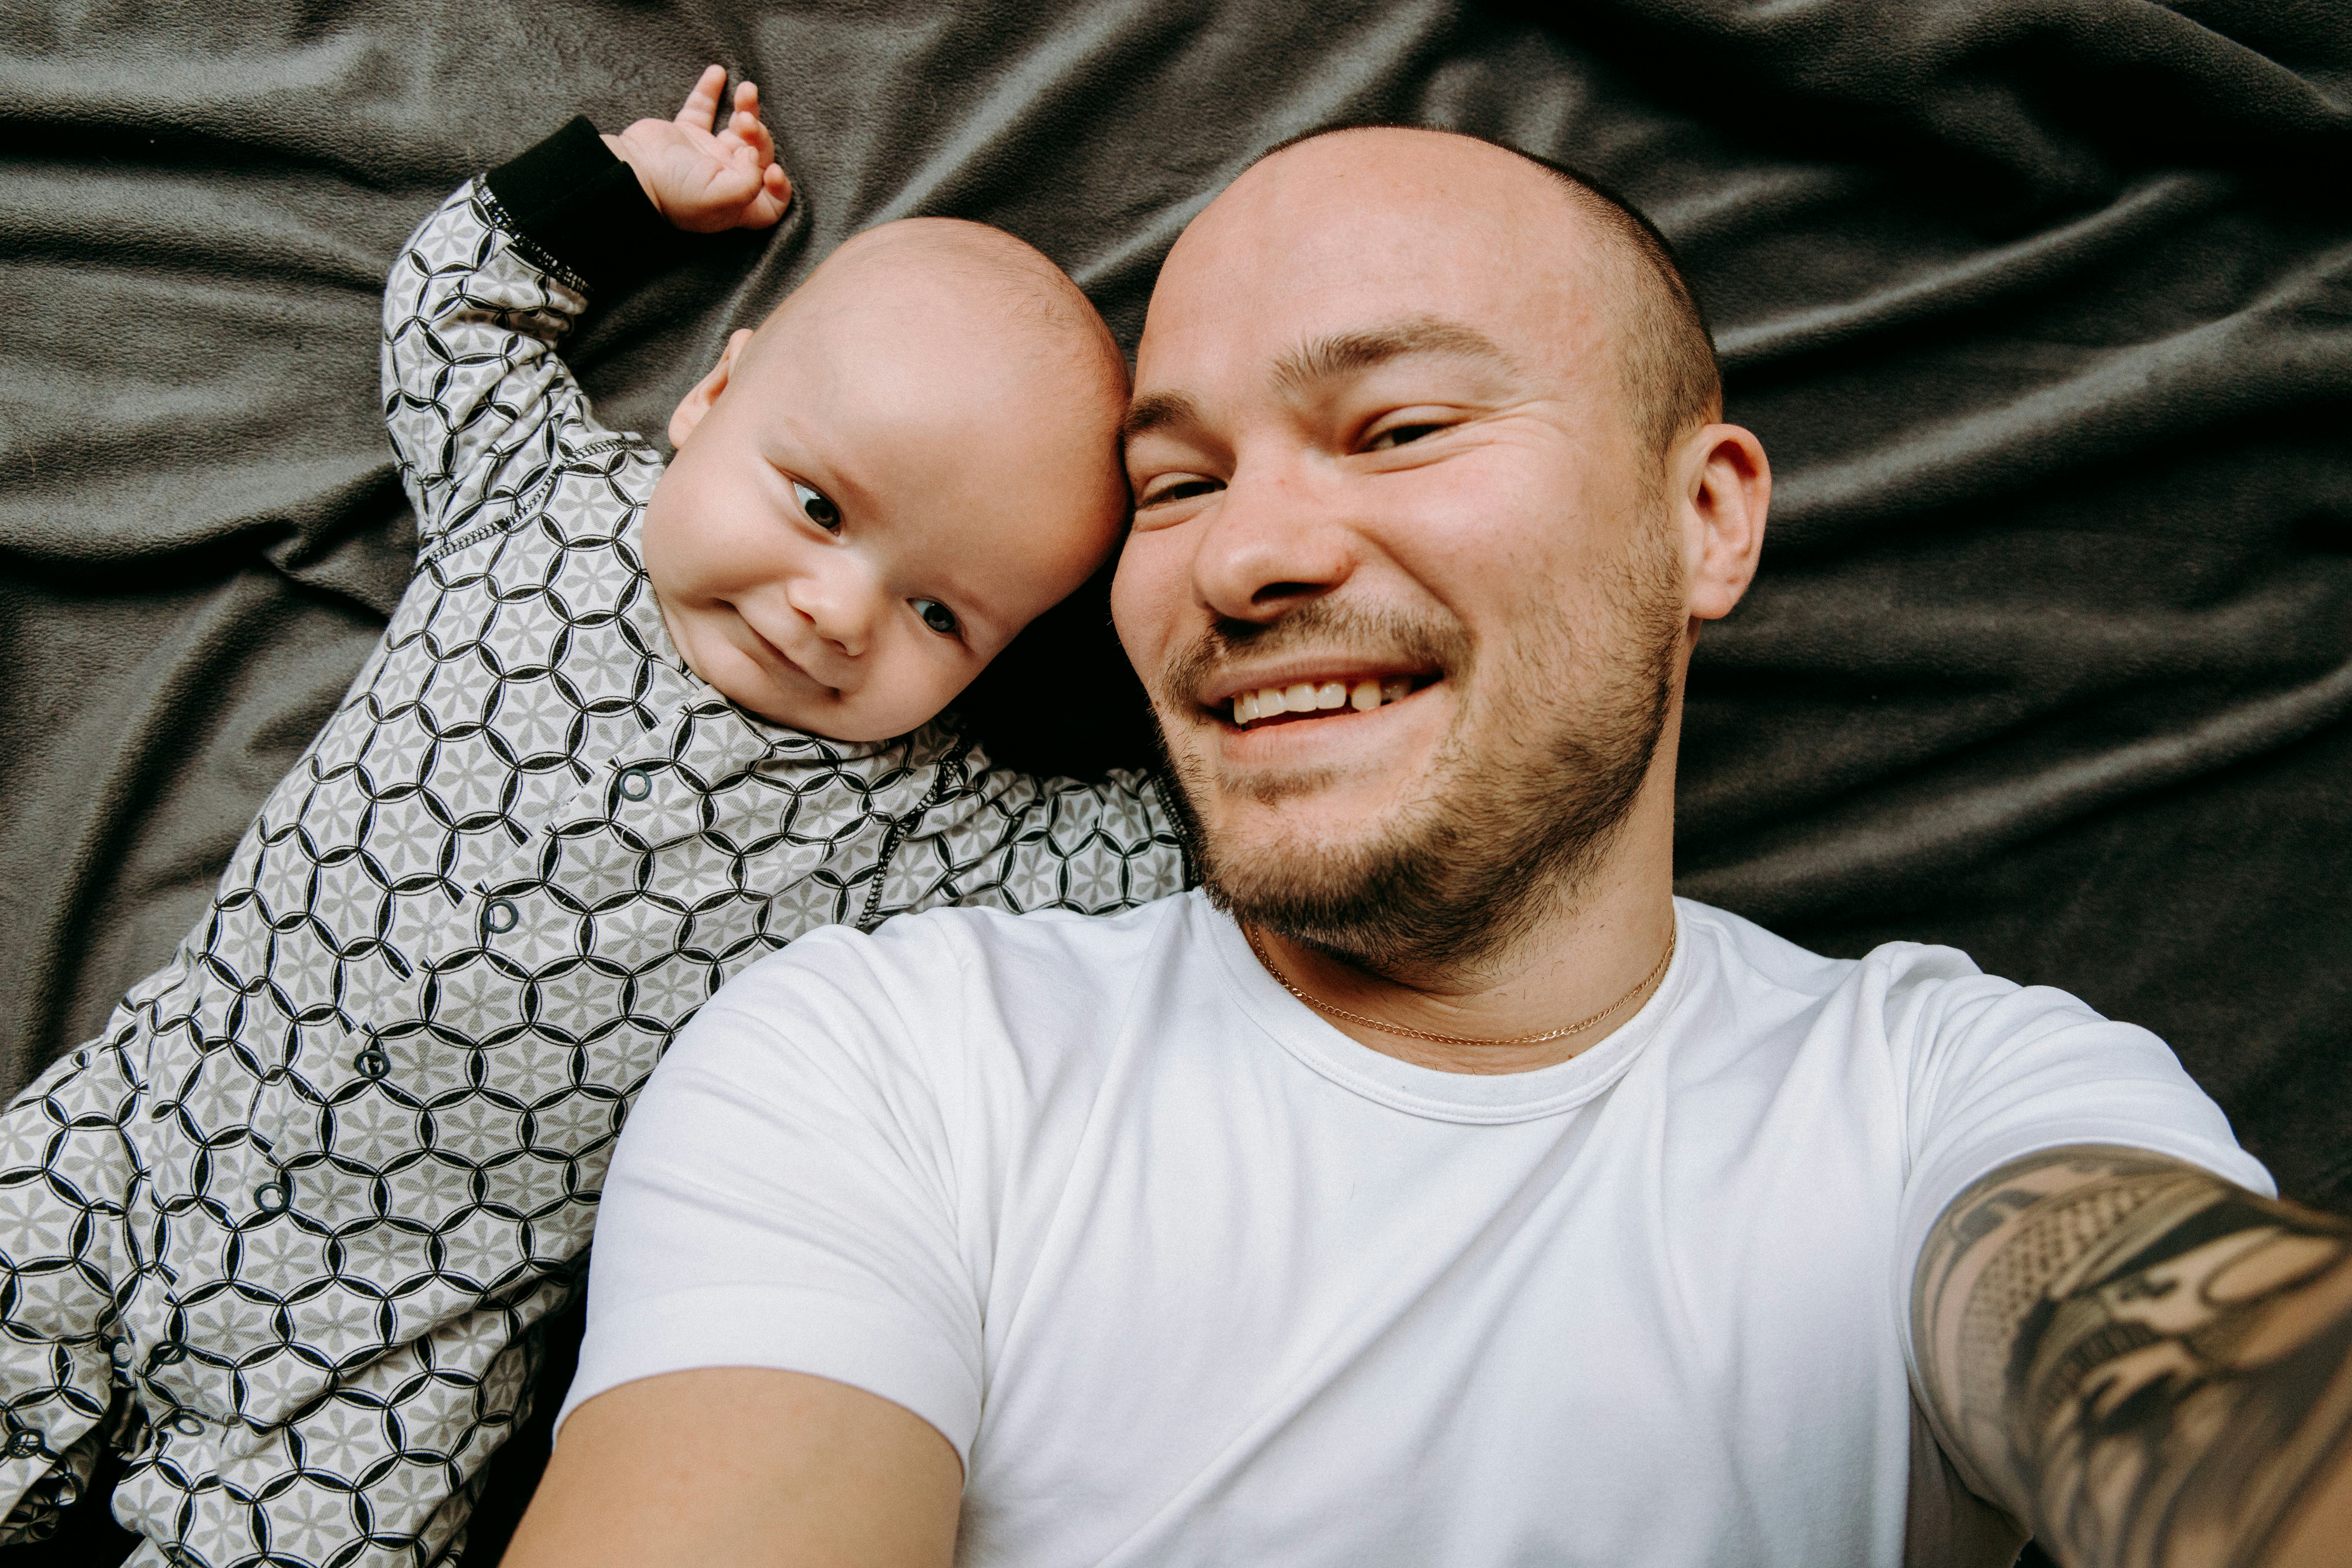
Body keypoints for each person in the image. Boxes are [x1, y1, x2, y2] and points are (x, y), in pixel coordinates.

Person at [508, 126, 2352, 1568]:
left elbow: (2177, 1349)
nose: (1244, 559)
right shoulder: (882, 1059)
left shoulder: (1955, 1095)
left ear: (1702, 517)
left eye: (1396, 426)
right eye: (1178, 484)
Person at [0, 67, 1192, 1566]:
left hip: (386, 1338)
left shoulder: (924, 821)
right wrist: (627, 186)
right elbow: (451, 308)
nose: (835, 608)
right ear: (711, 397)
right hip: (133, 1131)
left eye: (942, 612)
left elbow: (1162, 841)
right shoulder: (541, 492)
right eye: (819, 505)